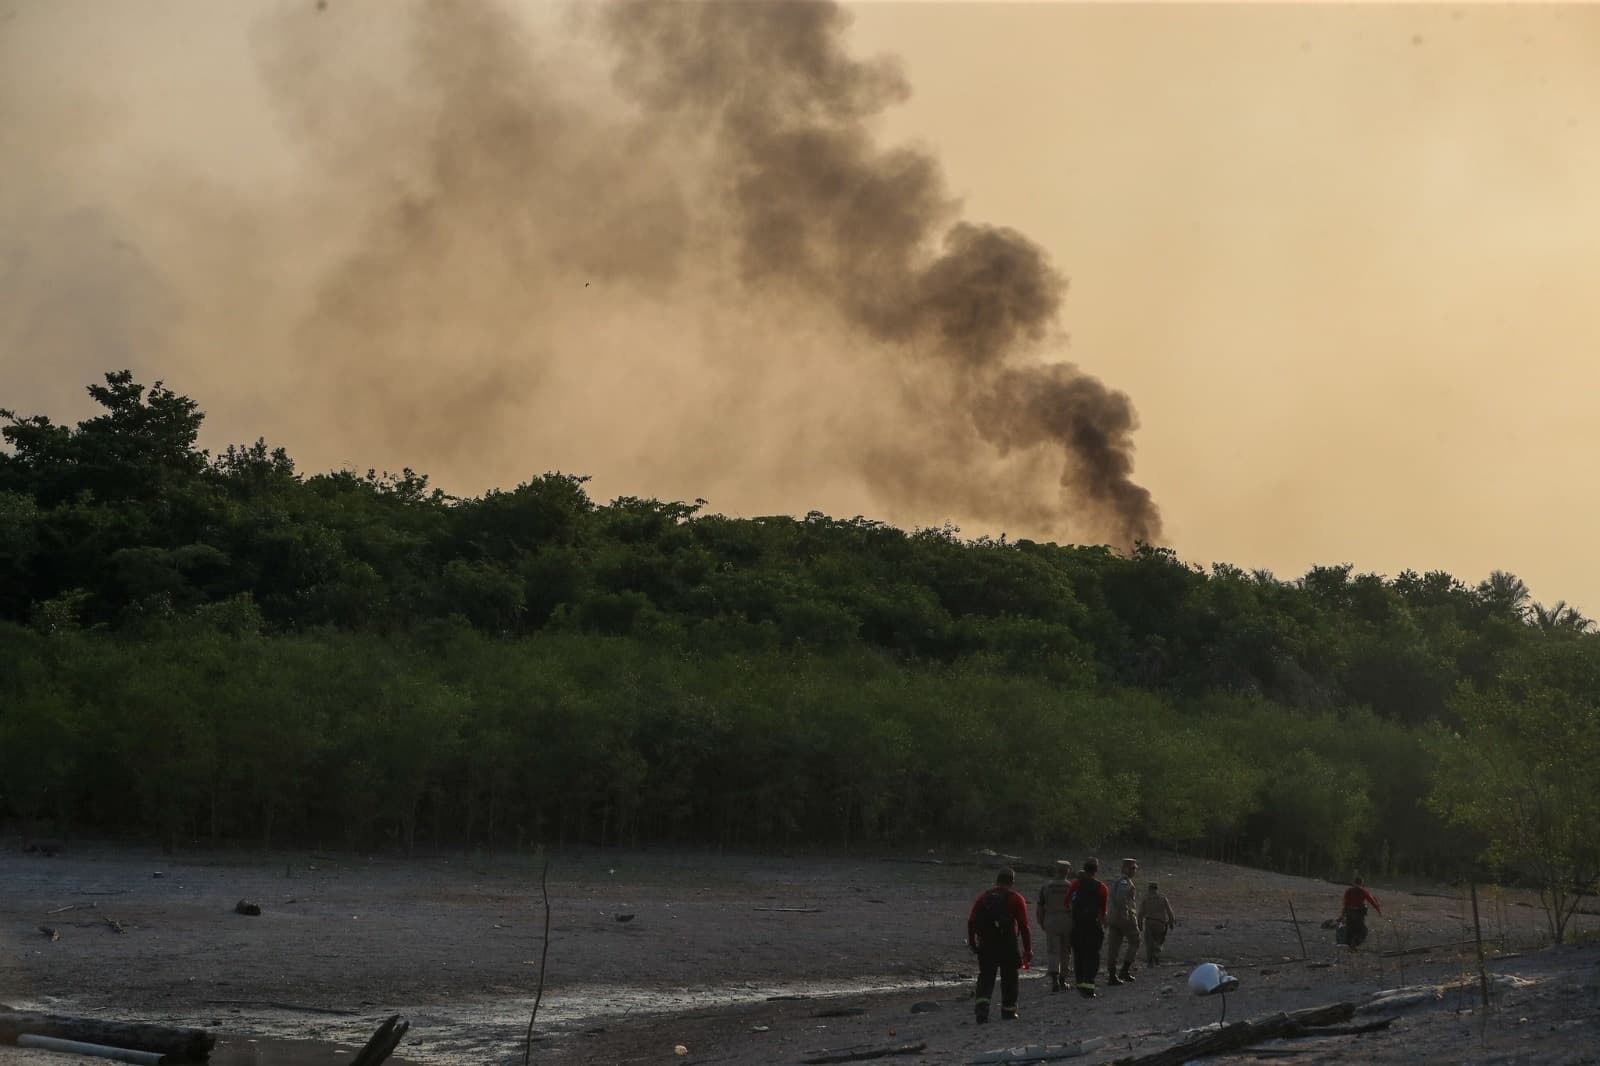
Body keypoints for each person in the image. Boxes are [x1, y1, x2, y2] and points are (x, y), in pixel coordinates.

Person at [967, 867, 1032, 1023]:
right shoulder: (1016, 898)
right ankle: (1008, 1011)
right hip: (1007, 943)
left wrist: (972, 942)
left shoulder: (983, 897)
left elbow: (971, 921)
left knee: (986, 977)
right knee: (1009, 978)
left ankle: (982, 1010)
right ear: (1012, 882)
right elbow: (1024, 926)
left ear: (997, 880)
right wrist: (1027, 950)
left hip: (987, 943)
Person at [1066, 857, 1108, 998]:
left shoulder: (1076, 884)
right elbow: (1103, 910)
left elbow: (1067, 902)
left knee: (1079, 955)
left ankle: (1079, 983)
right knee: (1092, 956)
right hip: (1093, 925)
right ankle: (1089, 986)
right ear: (1096, 870)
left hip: (1077, 925)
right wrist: (1103, 923)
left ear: (1084, 869)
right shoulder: (1101, 887)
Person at [1036, 859, 1075, 993]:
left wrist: (1041, 922)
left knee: (1053, 950)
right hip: (1067, 919)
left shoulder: (1046, 886)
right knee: (1065, 951)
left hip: (1051, 918)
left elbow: (1040, 907)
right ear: (1068, 871)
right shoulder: (1071, 886)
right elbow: (1075, 906)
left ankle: (1054, 979)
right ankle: (1063, 979)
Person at [1104, 857, 1141, 985]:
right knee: (1135, 941)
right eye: (1132, 868)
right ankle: (1124, 970)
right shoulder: (1125, 882)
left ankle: (1112, 975)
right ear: (1125, 868)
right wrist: (1125, 914)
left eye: (1135, 868)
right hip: (1125, 918)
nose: (1134, 870)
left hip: (1113, 918)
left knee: (1113, 947)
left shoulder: (1117, 880)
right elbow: (1121, 897)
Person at [1139, 881, 1177, 966]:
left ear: (1149, 889)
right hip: (1160, 924)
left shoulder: (1146, 899)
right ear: (1157, 889)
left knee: (1149, 943)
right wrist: (1171, 922)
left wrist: (1140, 924)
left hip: (1149, 923)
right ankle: (1156, 954)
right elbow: (1170, 912)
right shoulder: (1162, 898)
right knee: (1159, 941)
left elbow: (1140, 913)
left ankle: (1150, 961)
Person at [1340, 877, 1382, 951]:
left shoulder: (1349, 891)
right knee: (1361, 931)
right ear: (1361, 883)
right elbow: (1372, 901)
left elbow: (1346, 904)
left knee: (1350, 930)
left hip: (1350, 912)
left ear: (1354, 883)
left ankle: (1351, 946)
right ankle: (1354, 944)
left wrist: (1342, 914)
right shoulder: (1363, 891)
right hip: (1359, 913)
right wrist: (1379, 911)